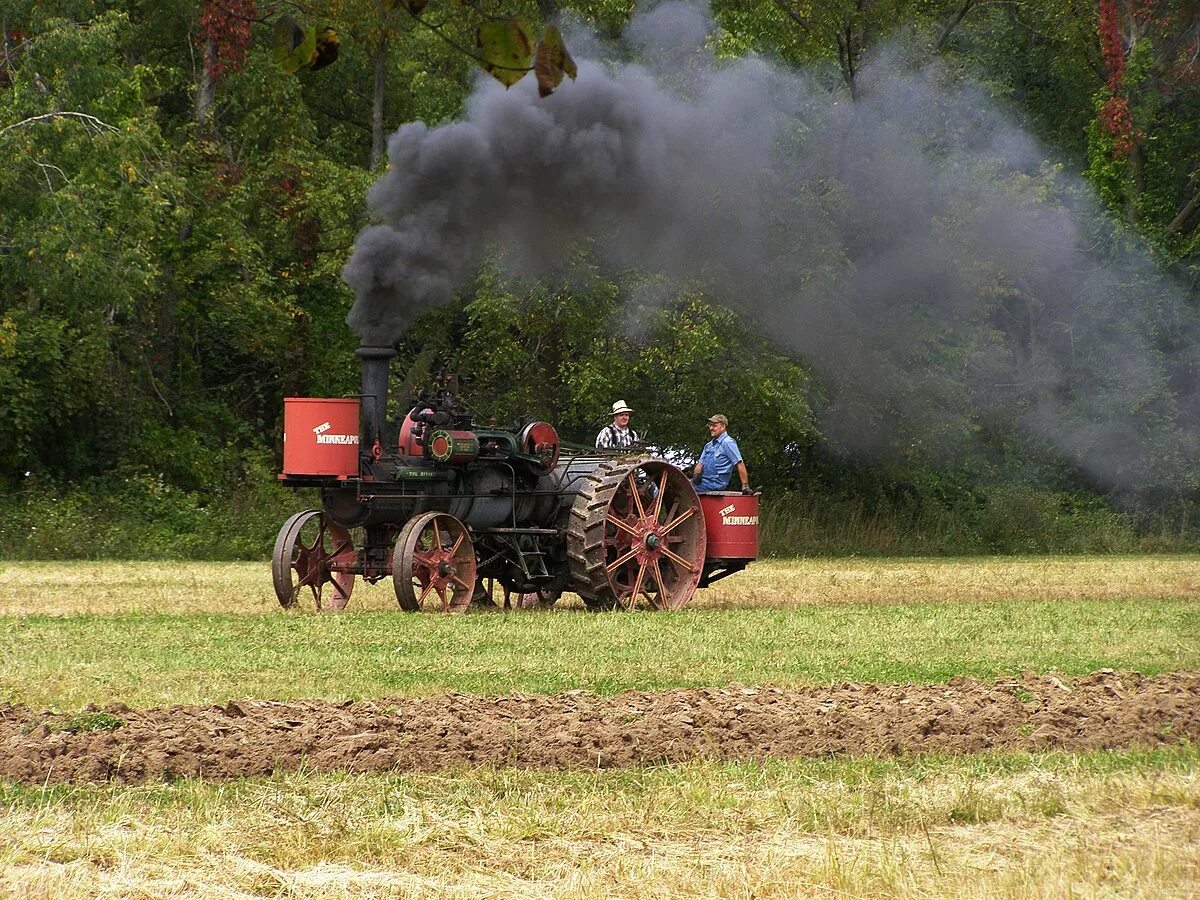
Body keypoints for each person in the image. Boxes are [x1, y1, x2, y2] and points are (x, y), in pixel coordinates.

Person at [693, 414, 752, 493]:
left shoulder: (728, 443)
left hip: (715, 484)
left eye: (714, 426)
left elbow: (739, 463)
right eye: (710, 426)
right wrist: (696, 475)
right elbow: (700, 464)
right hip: (703, 483)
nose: (711, 428)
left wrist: (745, 485)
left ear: (723, 426)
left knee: (683, 491)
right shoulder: (708, 446)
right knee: (678, 485)